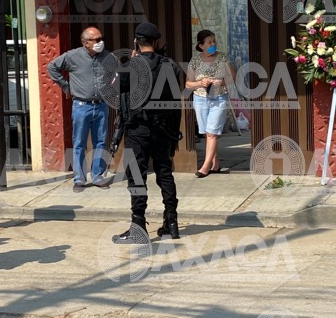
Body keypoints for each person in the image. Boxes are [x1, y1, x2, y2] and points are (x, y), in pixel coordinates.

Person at [112, 22, 183, 244]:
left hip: (137, 130)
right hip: (162, 130)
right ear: (156, 42)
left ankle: (138, 227)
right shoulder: (170, 66)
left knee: (136, 177)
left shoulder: (131, 66)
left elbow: (115, 87)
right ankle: (171, 223)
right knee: (165, 174)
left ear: (137, 42)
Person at [47, 26, 118, 192]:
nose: (100, 42)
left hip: (101, 105)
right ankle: (79, 179)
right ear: (86, 43)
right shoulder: (73, 56)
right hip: (81, 106)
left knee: (100, 142)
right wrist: (66, 87)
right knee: (79, 143)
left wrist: (111, 87)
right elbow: (52, 67)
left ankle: (98, 176)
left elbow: (117, 72)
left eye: (101, 39)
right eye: (96, 40)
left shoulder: (108, 56)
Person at [186, 29, 235, 177]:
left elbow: (232, 76)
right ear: (201, 45)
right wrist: (201, 82)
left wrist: (222, 82)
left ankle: (205, 166)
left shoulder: (222, 58)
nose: (213, 44)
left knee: (212, 133)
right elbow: (188, 84)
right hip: (200, 99)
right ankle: (216, 163)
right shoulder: (195, 60)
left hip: (218, 98)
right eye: (209, 42)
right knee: (207, 133)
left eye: (214, 41)